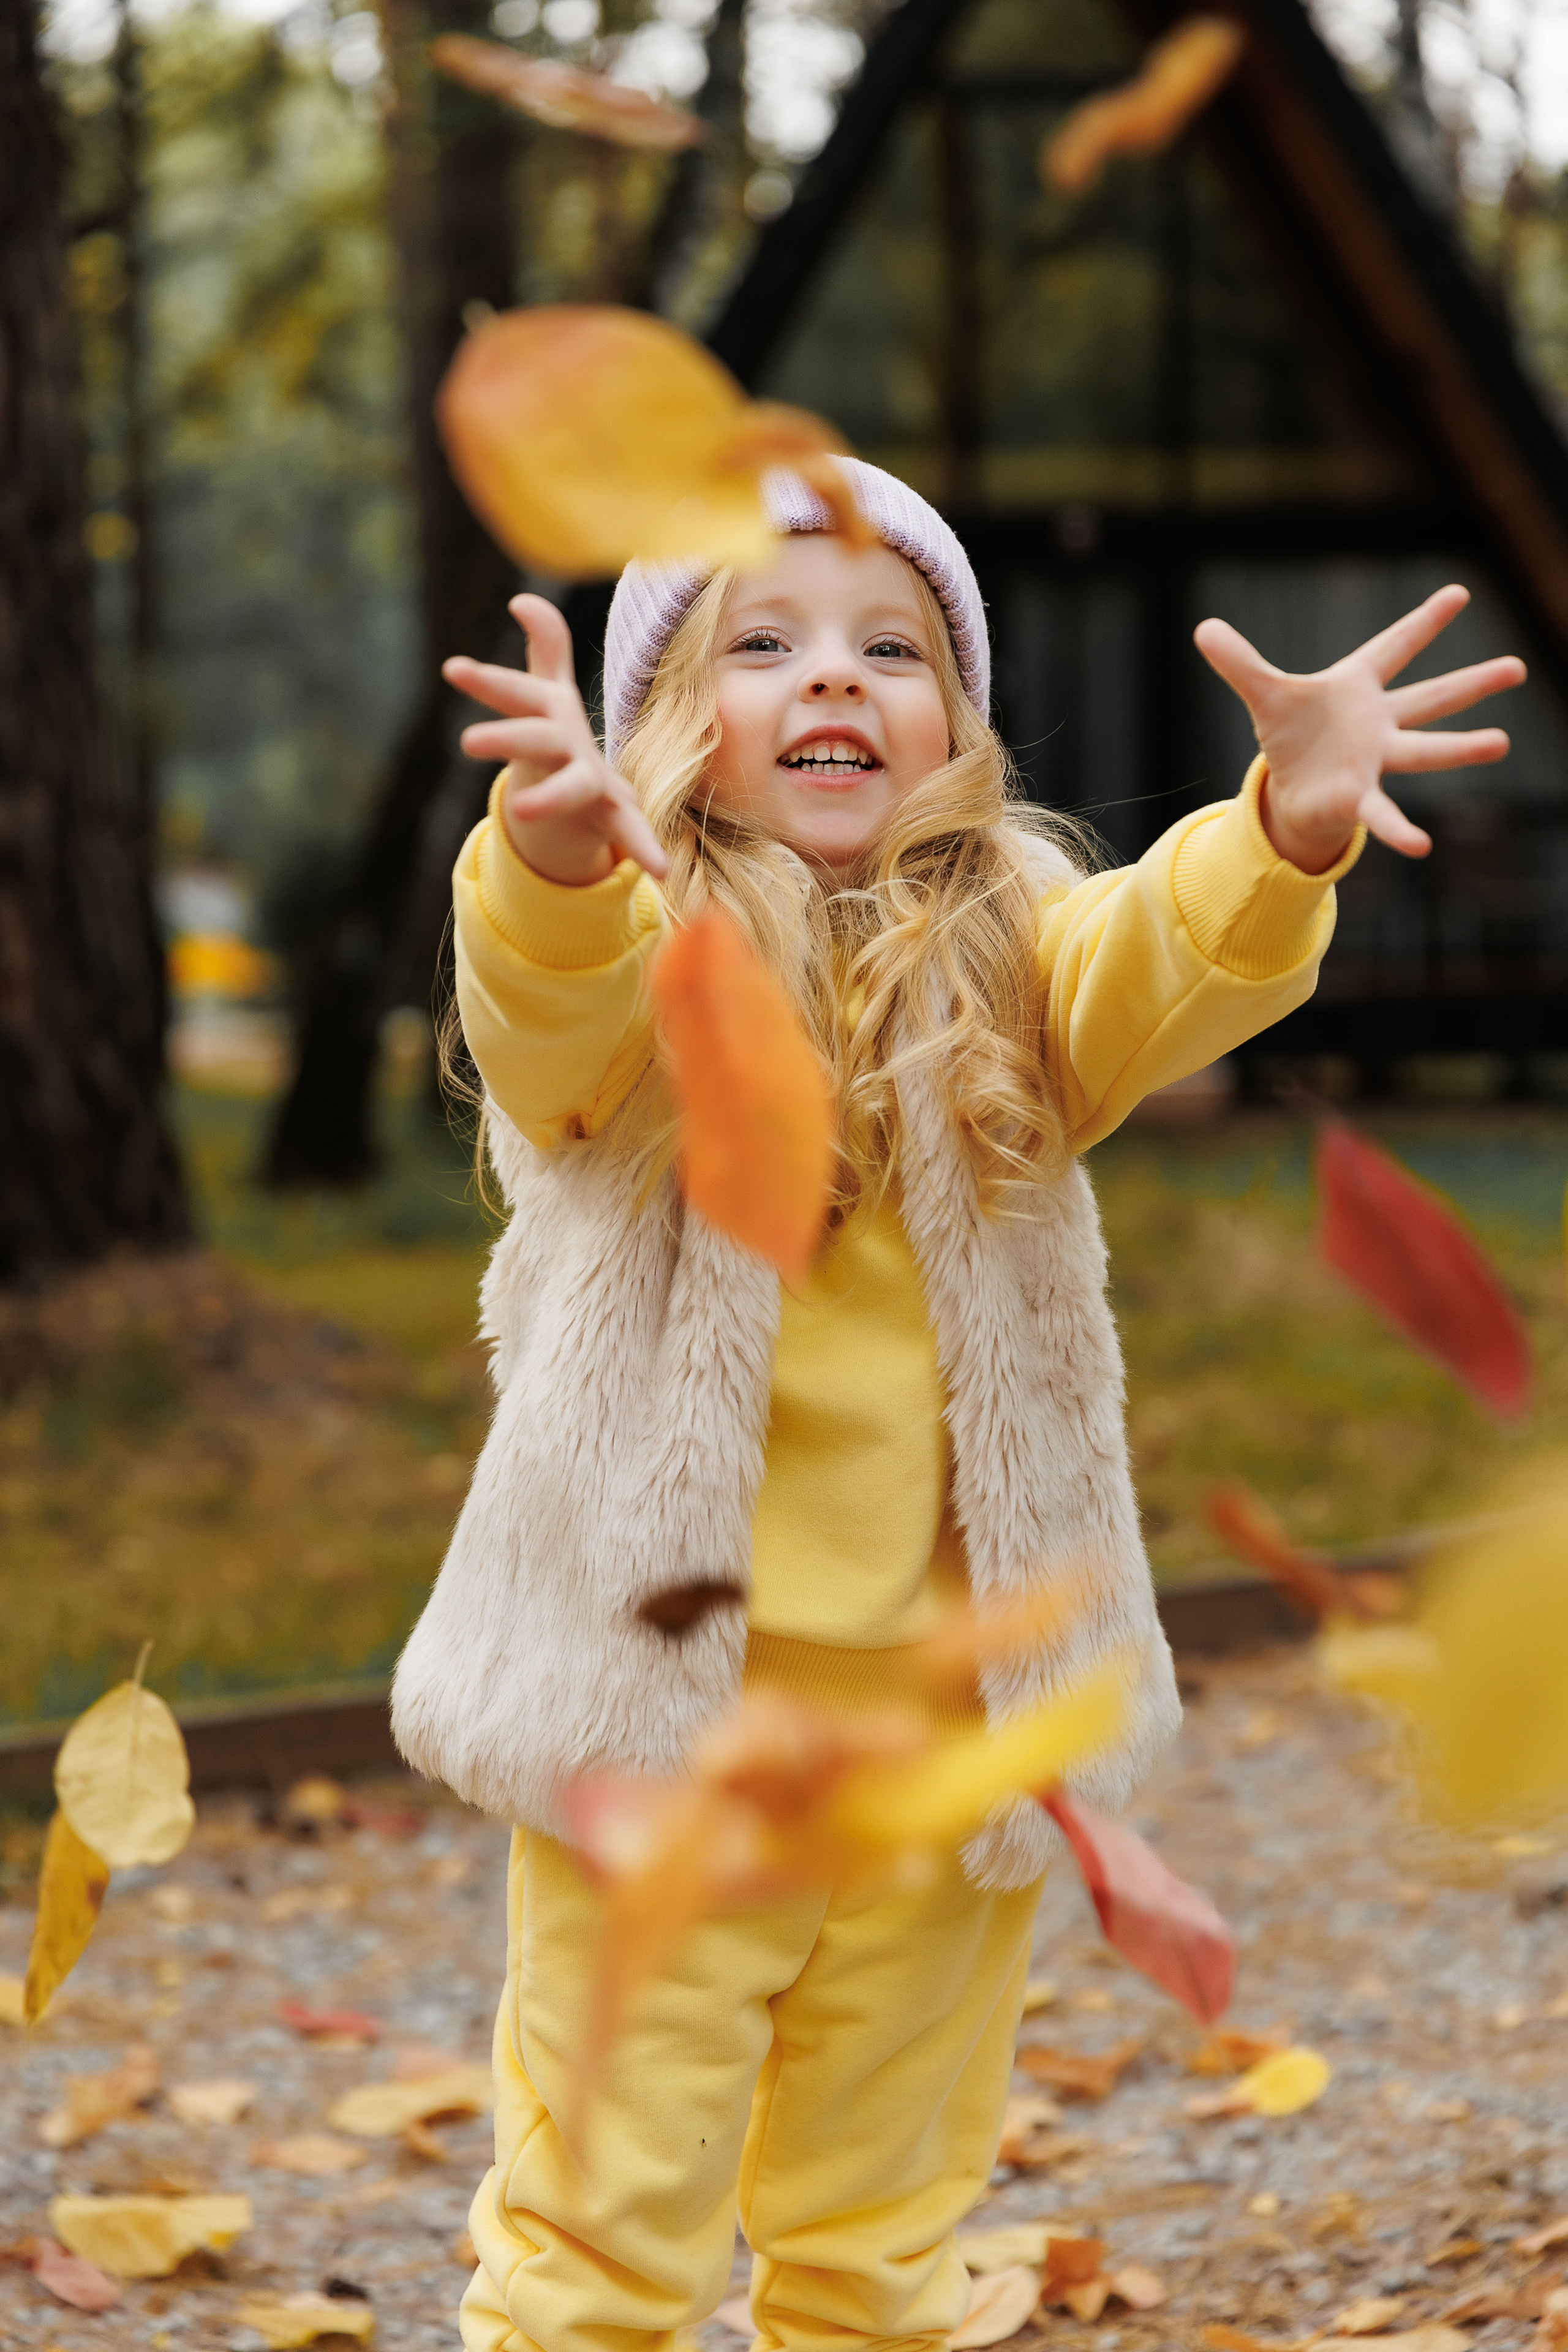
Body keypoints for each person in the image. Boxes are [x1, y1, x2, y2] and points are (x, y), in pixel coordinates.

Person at [390, 462, 1522, 2352]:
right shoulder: (649, 962)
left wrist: (1282, 831)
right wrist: (558, 864)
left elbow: (1158, 955)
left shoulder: (1003, 950)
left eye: (891, 649)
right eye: (766, 643)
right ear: (670, 718)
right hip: (661, 1745)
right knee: (600, 2226)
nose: (835, 681)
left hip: (948, 1745)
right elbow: (548, 1023)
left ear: (955, 723)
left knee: (882, 2232)